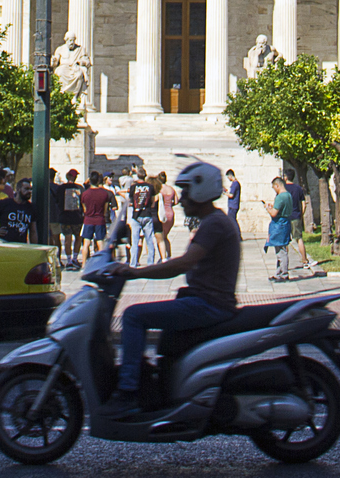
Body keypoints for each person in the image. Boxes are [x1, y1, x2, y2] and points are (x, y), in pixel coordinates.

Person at [103, 160, 240, 416]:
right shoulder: (213, 222)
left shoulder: (213, 224)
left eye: (186, 192)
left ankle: (128, 392)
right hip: (204, 300)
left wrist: (135, 272)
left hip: (208, 304)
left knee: (133, 316)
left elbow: (183, 264)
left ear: (201, 191)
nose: (182, 199)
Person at [265, 176, 293, 281]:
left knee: (281, 251)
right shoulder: (288, 195)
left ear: (277, 185)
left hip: (279, 225)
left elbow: (274, 213)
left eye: (274, 188)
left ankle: (284, 274)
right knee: (280, 250)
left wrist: (268, 208)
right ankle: (279, 272)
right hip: (286, 223)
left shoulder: (280, 197)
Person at [58, 169, 86, 269]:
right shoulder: (80, 188)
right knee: (78, 238)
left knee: (67, 239)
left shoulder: (61, 188)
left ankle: (69, 260)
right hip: (77, 217)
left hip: (64, 217)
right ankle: (74, 258)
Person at [79, 171, 112, 256]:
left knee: (86, 243)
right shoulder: (104, 194)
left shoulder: (85, 194)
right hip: (100, 219)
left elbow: (84, 209)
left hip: (88, 220)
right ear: (98, 181)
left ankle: (84, 264)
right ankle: (101, 263)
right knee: (100, 243)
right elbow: (105, 209)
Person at [284, 172, 311, 275]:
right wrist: (301, 214)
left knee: (285, 241)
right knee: (299, 239)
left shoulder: (283, 188)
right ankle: (304, 261)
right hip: (296, 216)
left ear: (285, 177)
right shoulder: (298, 188)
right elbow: (304, 204)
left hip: (286, 217)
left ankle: (285, 264)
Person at [130, 173, 158, 267]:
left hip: (136, 216)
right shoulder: (150, 187)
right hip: (147, 214)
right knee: (149, 240)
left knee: (135, 241)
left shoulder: (133, 187)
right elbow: (153, 202)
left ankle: (133, 263)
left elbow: (130, 201)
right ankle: (150, 262)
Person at [224, 168, 242, 235]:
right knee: (231, 220)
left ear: (230, 175)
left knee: (232, 221)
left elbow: (231, 195)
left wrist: (224, 193)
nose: (228, 178)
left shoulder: (235, 184)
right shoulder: (235, 184)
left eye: (228, 177)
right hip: (233, 205)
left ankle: (237, 235)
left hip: (233, 206)